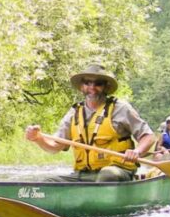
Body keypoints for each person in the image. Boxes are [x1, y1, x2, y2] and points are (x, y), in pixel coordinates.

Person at [24, 64, 155, 182]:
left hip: (117, 171)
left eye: (98, 83)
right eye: (87, 83)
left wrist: (137, 151)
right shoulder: (74, 113)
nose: (92, 87)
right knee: (49, 183)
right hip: (85, 175)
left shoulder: (120, 108)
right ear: (82, 86)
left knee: (107, 175)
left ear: (105, 87)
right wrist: (38, 139)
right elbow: (54, 146)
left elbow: (148, 136)